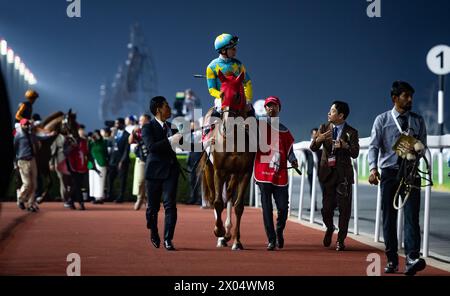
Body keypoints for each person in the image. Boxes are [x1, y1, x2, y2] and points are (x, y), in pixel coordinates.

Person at [368, 81, 427, 276]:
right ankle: (392, 259)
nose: (410, 100)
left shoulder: (417, 120)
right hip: (389, 174)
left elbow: (423, 146)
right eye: (406, 96)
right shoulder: (382, 120)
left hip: (411, 174)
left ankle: (412, 258)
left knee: (411, 217)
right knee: (388, 218)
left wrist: (416, 151)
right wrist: (373, 169)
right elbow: (374, 146)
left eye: (411, 96)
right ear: (395, 98)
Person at [310, 101, 359, 252]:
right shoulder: (323, 128)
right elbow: (313, 147)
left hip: (343, 175)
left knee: (344, 209)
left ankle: (340, 240)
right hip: (327, 174)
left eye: (332, 111)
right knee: (326, 209)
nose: (328, 113)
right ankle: (330, 227)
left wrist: (345, 146)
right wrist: (318, 139)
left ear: (341, 115)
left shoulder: (352, 132)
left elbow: (355, 153)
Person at [254, 96, 298, 251]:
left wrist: (293, 159)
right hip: (262, 173)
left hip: (280, 175)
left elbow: (289, 150)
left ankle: (279, 230)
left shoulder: (285, 130)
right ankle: (271, 239)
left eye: (275, 106)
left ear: (279, 109)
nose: (271, 108)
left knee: (283, 208)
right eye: (268, 106)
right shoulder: (258, 125)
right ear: (265, 109)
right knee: (266, 208)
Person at [142, 96, 183, 251]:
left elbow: (186, 144)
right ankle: (153, 230)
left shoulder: (172, 127)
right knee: (152, 209)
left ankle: (168, 239)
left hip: (171, 171)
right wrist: (172, 139)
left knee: (170, 205)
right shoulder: (147, 127)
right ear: (158, 109)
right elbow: (151, 147)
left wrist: (206, 142)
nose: (170, 108)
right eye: (167, 105)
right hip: (153, 172)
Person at [205, 33, 253, 121]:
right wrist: (224, 96)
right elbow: (211, 89)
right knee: (213, 118)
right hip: (222, 99)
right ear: (223, 51)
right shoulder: (211, 67)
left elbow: (247, 82)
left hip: (239, 98)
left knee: (251, 114)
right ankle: (207, 132)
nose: (235, 50)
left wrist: (248, 99)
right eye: (232, 48)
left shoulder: (238, 64)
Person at [14, 119, 40, 211]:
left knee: (34, 184)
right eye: (25, 125)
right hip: (22, 161)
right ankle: (20, 199)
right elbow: (14, 149)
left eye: (28, 124)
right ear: (21, 125)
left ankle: (30, 204)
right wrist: (15, 162)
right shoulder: (18, 136)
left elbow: (39, 139)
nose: (27, 126)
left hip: (32, 160)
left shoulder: (31, 135)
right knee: (27, 183)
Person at [129, 114, 151, 210]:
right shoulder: (138, 131)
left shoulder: (153, 129)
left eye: (142, 120)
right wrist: (133, 132)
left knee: (150, 181)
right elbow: (130, 141)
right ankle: (140, 198)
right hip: (141, 159)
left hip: (151, 159)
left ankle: (149, 199)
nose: (140, 122)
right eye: (140, 120)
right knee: (140, 181)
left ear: (148, 121)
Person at [107, 118, 130, 203]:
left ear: (122, 124)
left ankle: (121, 197)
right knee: (110, 178)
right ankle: (109, 195)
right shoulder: (114, 133)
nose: (116, 125)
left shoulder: (127, 135)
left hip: (122, 162)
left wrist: (122, 161)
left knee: (122, 180)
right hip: (113, 161)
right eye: (115, 123)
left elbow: (126, 150)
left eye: (117, 123)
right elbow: (111, 146)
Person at [88, 130, 108, 204]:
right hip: (92, 163)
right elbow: (87, 150)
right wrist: (90, 139)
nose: (95, 136)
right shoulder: (91, 143)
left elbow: (105, 151)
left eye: (96, 135)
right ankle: (94, 196)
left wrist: (98, 139)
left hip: (101, 162)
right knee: (92, 180)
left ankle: (99, 197)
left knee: (100, 180)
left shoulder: (103, 142)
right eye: (94, 135)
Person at [186, 121, 203, 205]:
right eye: (190, 126)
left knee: (199, 181)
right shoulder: (189, 136)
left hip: (198, 160)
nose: (191, 128)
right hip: (190, 160)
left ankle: (200, 199)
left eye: (192, 126)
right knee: (191, 181)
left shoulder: (200, 134)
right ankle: (193, 198)